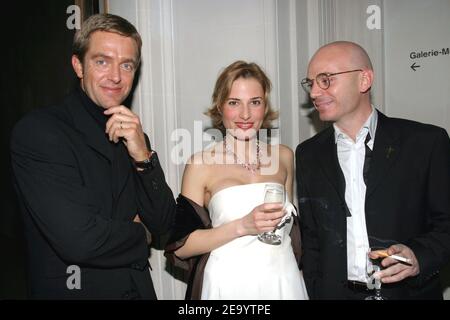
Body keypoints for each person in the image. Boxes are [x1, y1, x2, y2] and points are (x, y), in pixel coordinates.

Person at [10, 14, 176, 299]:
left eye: (127, 65)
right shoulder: (41, 131)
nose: (115, 76)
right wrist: (141, 234)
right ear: (78, 66)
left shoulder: (135, 136)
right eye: (102, 61)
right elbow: (80, 241)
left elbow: (165, 223)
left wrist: (143, 156)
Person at [296, 41, 450, 299]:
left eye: (325, 80)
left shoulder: (426, 143)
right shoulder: (308, 154)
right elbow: (312, 240)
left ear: (364, 79)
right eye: (310, 83)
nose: (314, 92)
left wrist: (419, 256)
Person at [165, 61, 309, 299]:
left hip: (283, 281)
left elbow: (289, 232)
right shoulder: (201, 164)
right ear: (220, 107)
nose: (245, 114)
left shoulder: (284, 156)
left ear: (265, 106)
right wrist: (243, 226)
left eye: (255, 102)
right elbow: (182, 246)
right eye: (234, 103)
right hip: (227, 284)